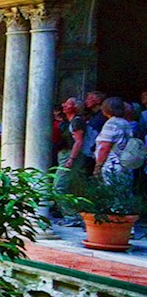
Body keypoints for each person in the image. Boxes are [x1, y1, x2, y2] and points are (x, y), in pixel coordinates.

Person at [55, 97, 89, 226]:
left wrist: (71, 159)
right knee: (70, 186)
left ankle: (71, 216)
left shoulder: (77, 122)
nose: (63, 105)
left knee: (59, 186)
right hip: (66, 154)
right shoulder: (69, 121)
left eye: (67, 104)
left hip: (70, 155)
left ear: (75, 107)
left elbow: (78, 142)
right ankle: (74, 215)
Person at [94, 97, 138, 182]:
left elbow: (105, 147)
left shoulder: (111, 124)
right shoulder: (125, 123)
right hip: (125, 164)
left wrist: (98, 166)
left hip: (112, 165)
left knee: (110, 192)